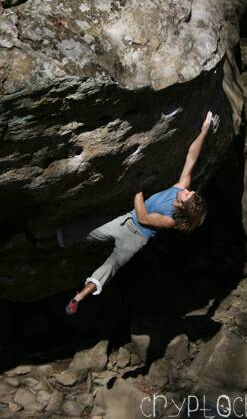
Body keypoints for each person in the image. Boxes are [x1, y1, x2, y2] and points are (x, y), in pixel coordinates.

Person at [63, 111, 213, 315]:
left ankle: (78, 298)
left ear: (182, 206)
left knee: (111, 266)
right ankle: (57, 239)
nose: (187, 190)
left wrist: (137, 187)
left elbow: (143, 216)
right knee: (85, 229)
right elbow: (192, 156)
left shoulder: (171, 220)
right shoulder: (180, 188)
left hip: (135, 238)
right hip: (125, 221)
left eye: (187, 194)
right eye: (189, 191)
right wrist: (204, 130)